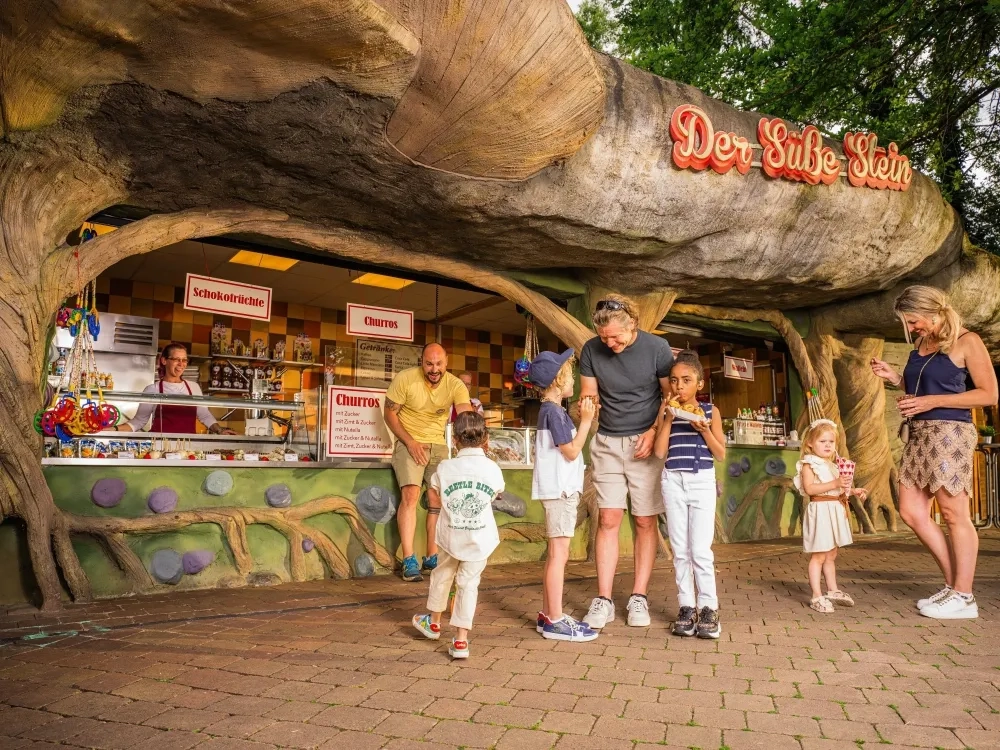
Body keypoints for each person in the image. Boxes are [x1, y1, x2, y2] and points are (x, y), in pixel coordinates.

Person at [870, 285, 998, 619]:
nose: (911, 328)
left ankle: (965, 595)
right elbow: (922, 386)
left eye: (913, 321)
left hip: (950, 434)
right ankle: (954, 585)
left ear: (934, 311)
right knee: (911, 510)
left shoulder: (968, 341)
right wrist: (895, 377)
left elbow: (988, 394)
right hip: (918, 434)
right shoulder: (919, 345)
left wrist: (931, 401)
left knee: (955, 513)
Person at [579, 295, 673, 629]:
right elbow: (589, 394)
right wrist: (586, 409)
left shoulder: (658, 348)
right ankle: (603, 599)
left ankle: (638, 598)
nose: (610, 343)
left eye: (616, 337)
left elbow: (669, 397)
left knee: (645, 520)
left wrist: (654, 431)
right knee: (608, 518)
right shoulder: (591, 350)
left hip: (644, 443)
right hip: (606, 441)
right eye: (605, 338)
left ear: (632, 323)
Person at [411, 411, 503, 659]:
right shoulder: (492, 469)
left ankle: (433, 622)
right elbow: (496, 493)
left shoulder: (445, 467)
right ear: (485, 438)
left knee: (442, 574)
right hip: (480, 540)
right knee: (468, 584)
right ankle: (461, 641)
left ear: (454, 440)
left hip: (451, 536)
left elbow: (434, 495)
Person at [385, 343, 473, 582]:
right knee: (411, 495)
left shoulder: (455, 384)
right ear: (421, 362)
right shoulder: (405, 379)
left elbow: (465, 416)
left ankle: (432, 557)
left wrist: (472, 448)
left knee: (438, 498)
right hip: (408, 442)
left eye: (438, 364)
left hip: (438, 445)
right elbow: (389, 413)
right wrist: (410, 442)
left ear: (446, 362)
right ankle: (409, 558)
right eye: (429, 363)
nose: (434, 369)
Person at [653, 351, 726, 638]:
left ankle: (709, 607)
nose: (679, 386)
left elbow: (720, 453)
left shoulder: (710, 412)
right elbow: (659, 452)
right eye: (674, 381)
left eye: (686, 380)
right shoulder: (666, 410)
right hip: (673, 480)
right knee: (680, 549)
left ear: (699, 383)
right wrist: (668, 419)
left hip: (701, 481)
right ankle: (686, 606)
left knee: (700, 549)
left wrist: (705, 431)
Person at [528, 350, 598, 642]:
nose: (573, 378)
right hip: (561, 491)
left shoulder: (550, 410)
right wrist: (585, 421)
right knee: (559, 555)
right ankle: (555, 620)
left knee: (557, 554)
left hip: (558, 490)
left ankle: (548, 614)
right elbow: (570, 451)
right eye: (569, 373)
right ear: (557, 379)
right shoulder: (554, 412)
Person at [793, 419, 867, 613]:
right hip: (821, 512)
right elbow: (810, 488)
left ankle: (832, 590)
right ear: (810, 443)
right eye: (822, 441)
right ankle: (816, 595)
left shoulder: (833, 465)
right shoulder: (809, 464)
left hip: (834, 508)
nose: (827, 445)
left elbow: (837, 489)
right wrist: (835, 484)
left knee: (831, 554)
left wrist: (852, 491)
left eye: (831, 442)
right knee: (819, 554)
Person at [117, 342, 234, 434]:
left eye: (184, 360)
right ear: (164, 361)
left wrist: (220, 431)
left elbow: (204, 415)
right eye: (176, 359)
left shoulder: (193, 387)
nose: (181, 364)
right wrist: (114, 430)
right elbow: (139, 421)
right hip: (160, 446)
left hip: (187, 446)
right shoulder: (153, 389)